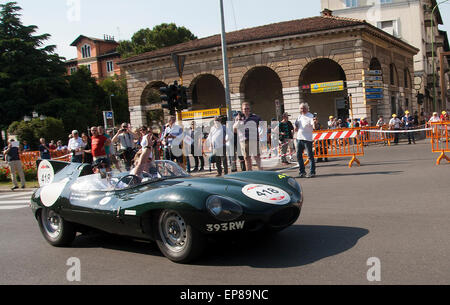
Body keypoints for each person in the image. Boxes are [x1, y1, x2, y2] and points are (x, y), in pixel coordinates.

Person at [233, 102, 262, 171]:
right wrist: (239, 120)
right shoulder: (238, 118)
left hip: (254, 139)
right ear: (242, 110)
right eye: (245, 109)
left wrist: (261, 134)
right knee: (246, 157)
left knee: (257, 156)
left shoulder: (255, 117)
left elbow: (262, 126)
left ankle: (261, 171)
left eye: (247, 108)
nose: (246, 110)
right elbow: (234, 129)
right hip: (243, 140)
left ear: (250, 109)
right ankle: (249, 172)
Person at [295, 102, 315, 178]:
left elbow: (314, 127)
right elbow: (296, 129)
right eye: (301, 108)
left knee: (310, 156)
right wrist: (295, 128)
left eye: (303, 108)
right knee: (299, 156)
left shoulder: (310, 116)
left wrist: (315, 123)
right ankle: (302, 172)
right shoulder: (299, 117)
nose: (302, 109)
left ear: (307, 108)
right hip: (299, 138)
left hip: (307, 139)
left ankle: (312, 172)